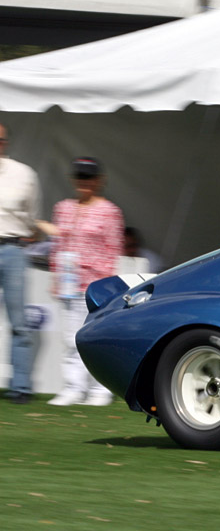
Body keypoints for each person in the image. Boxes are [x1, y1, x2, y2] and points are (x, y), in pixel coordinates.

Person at [45, 158, 124, 406]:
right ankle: (73, 387)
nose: (84, 183)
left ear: (99, 181)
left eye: (88, 177)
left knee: (95, 336)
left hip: (96, 282)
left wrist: (108, 286)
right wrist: (56, 277)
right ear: (73, 179)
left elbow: (114, 249)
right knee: (70, 337)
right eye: (80, 177)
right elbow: (57, 245)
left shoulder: (110, 211)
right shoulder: (63, 207)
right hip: (69, 281)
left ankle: (100, 389)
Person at [0, 123, 40, 404]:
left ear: (6, 142)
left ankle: (21, 387)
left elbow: (33, 217)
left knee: (19, 322)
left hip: (12, 248)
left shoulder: (24, 174)